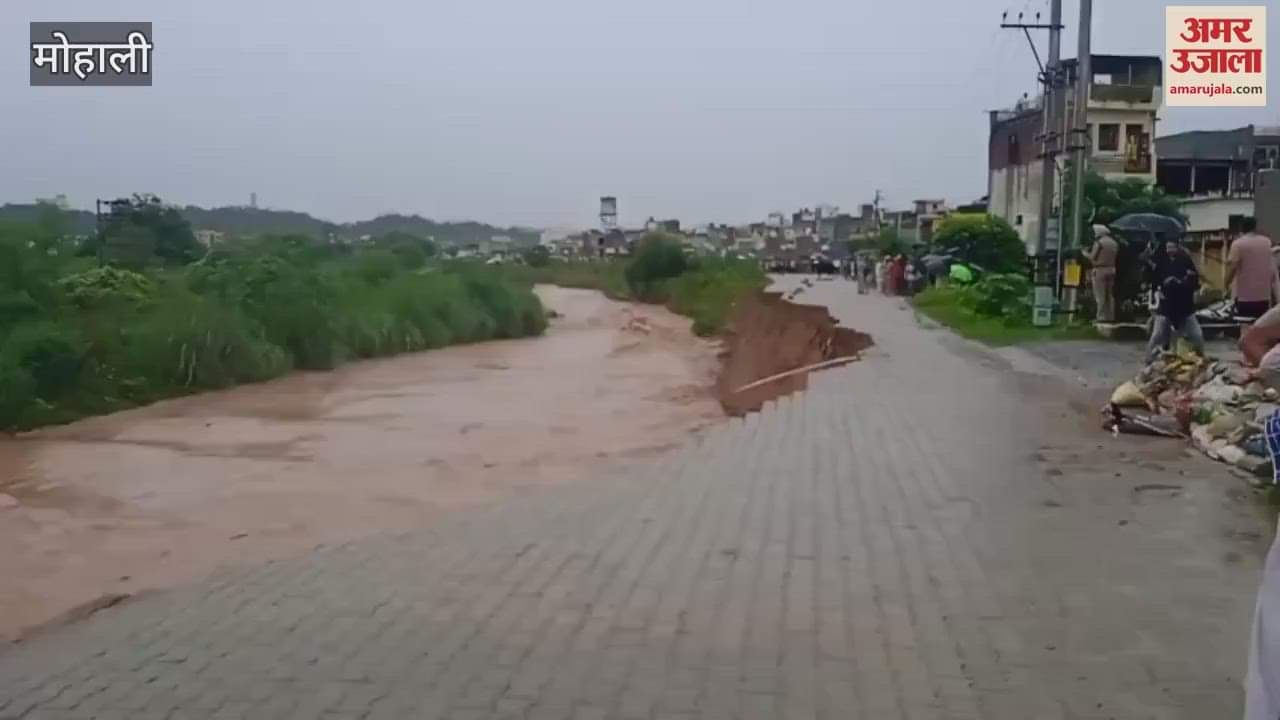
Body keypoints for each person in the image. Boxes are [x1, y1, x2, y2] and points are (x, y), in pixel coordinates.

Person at [1145, 239, 1204, 361]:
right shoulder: (1162, 262)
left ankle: (1201, 358)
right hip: (1166, 305)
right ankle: (1149, 359)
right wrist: (1159, 289)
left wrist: (1179, 281)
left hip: (1185, 306)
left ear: (1178, 248)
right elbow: (1155, 280)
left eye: (1172, 247)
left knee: (1196, 335)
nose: (1170, 250)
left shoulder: (1185, 261)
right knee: (1158, 335)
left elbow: (1194, 281)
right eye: (1168, 247)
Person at [1226, 216, 1278, 321]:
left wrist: (1225, 283)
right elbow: (1272, 270)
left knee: (1245, 328)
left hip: (1245, 298)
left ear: (1241, 228)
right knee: (1261, 328)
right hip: (1264, 297)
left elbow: (1233, 268)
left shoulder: (1238, 244)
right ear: (1255, 227)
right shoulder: (1267, 242)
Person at [1086, 224, 1119, 323]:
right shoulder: (1114, 243)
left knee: (1100, 295)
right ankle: (1110, 316)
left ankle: (1101, 317)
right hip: (1112, 269)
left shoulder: (1099, 243)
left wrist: (1085, 253)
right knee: (1110, 295)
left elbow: (1092, 257)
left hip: (1100, 270)